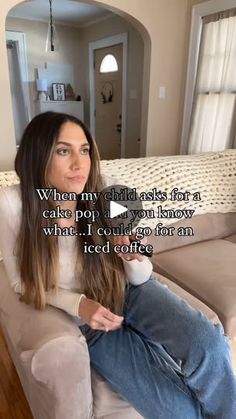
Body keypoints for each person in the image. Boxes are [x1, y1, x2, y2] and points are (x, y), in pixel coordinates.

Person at [0, 111, 235, 419]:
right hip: (90, 323)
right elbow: (21, 283)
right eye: (63, 150)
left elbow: (141, 275)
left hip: (131, 292)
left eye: (84, 150)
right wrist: (79, 304)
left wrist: (133, 258)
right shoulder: (11, 206)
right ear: (37, 154)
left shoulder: (109, 191)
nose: (79, 163)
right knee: (176, 411)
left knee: (210, 346)